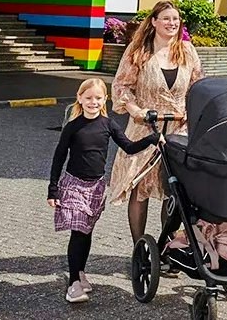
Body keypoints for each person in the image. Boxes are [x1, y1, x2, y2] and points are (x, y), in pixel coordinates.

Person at [47, 77, 159, 304]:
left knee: (86, 232)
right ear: (79, 98)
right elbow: (59, 157)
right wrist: (53, 189)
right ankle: (73, 285)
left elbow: (128, 147)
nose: (93, 102)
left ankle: (79, 272)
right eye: (88, 98)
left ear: (104, 100)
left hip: (96, 187)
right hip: (74, 185)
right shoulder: (72, 127)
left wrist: (151, 139)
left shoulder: (108, 125)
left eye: (98, 98)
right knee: (78, 231)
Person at [111, 1, 203, 243]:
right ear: (153, 21)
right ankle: (139, 250)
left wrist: (194, 113)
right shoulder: (139, 50)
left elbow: (198, 86)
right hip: (146, 127)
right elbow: (121, 86)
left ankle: (167, 247)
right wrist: (134, 109)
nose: (172, 23)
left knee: (174, 190)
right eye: (166, 18)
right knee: (140, 188)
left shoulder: (187, 51)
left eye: (175, 19)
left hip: (179, 127)